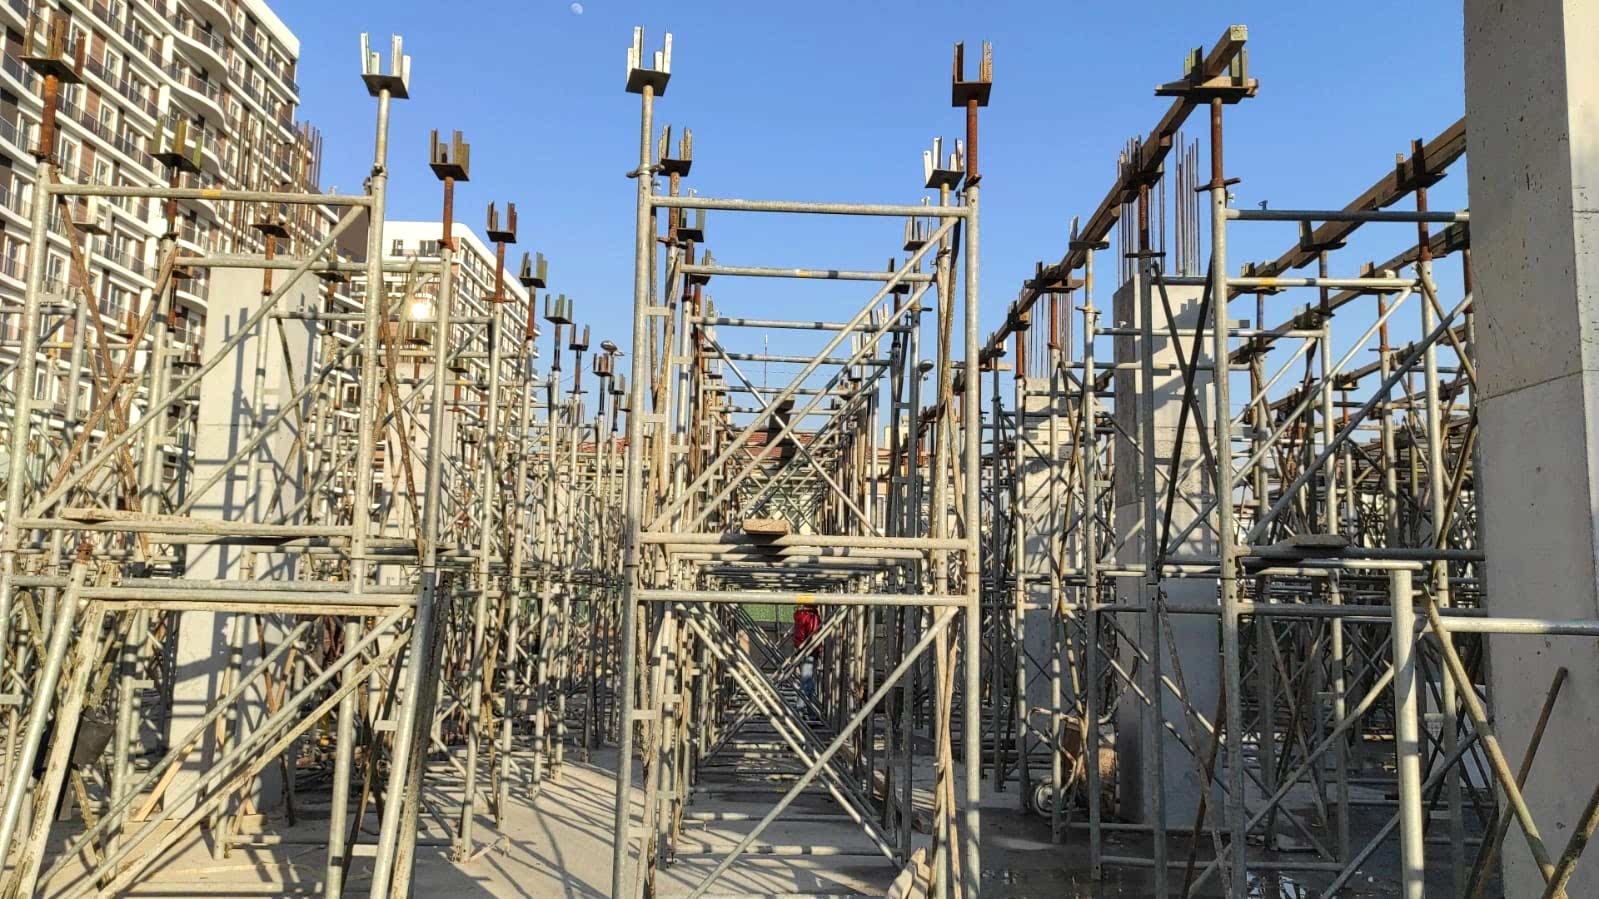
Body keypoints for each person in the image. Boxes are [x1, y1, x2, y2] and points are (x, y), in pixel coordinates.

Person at [793, 606, 821, 704]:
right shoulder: (811, 617)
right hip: (810, 651)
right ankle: (801, 708)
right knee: (807, 681)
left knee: (806, 680)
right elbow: (814, 635)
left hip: (800, 649)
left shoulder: (799, 615)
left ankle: (808, 708)